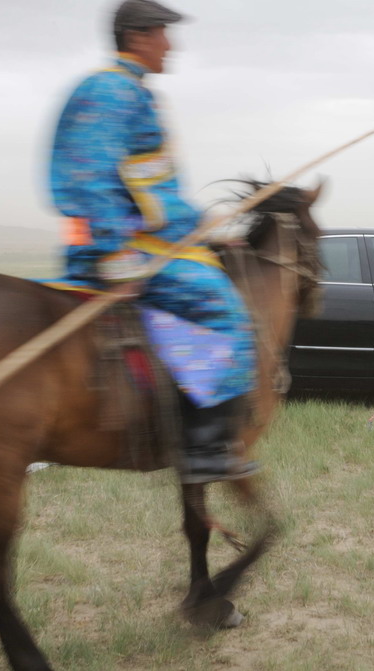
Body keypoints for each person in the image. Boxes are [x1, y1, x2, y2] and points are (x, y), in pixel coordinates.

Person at [49, 0, 256, 483]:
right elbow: (94, 180)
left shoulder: (132, 92)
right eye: (165, 34)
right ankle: (205, 448)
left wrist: (209, 231)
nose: (172, 45)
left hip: (149, 245)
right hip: (119, 251)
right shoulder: (111, 91)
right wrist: (118, 263)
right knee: (223, 305)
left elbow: (156, 196)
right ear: (139, 36)